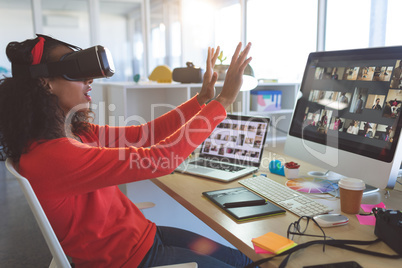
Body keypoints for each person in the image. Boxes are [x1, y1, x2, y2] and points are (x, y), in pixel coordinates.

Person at [0, 34, 254, 268]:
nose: (89, 80)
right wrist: (222, 102)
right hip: (130, 259)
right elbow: (162, 159)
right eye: (75, 73)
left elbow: (144, 135)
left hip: (145, 236)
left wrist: (201, 100)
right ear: (45, 84)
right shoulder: (52, 157)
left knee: (241, 259)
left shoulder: (75, 133)